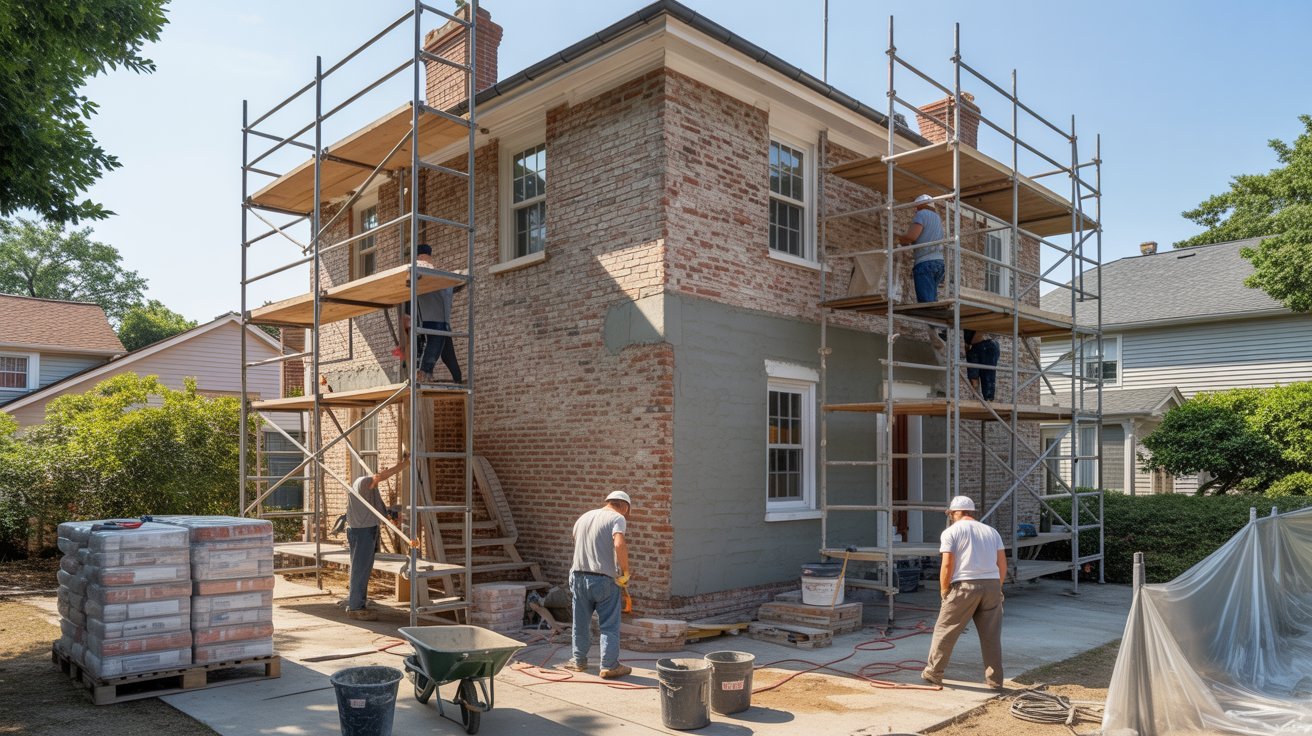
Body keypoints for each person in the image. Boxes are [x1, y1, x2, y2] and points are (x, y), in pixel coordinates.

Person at [923, 495, 1007, 690]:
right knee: (991, 636)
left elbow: (947, 565)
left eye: (951, 514)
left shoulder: (951, 532)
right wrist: (997, 587)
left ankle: (934, 672)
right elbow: (1002, 564)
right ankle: (995, 681)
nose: (951, 517)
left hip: (965, 586)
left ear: (956, 512)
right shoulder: (991, 532)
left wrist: (945, 591)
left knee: (946, 629)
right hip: (992, 585)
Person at [564, 490, 632, 679]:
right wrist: (625, 572)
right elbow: (619, 544)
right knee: (609, 624)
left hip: (578, 577)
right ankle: (609, 666)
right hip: (603, 580)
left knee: (580, 623)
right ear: (624, 506)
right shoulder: (617, 518)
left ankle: (578, 661)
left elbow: (577, 541)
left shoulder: (584, 517)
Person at [345, 454, 407, 621]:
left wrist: (392, 515)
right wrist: (404, 465)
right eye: (381, 474)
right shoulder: (363, 482)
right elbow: (380, 476)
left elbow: (380, 510)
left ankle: (357, 601)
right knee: (360, 568)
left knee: (361, 568)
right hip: (362, 532)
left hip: (366, 530)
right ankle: (355, 607)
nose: (382, 476)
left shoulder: (373, 490)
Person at [407, 244, 463, 384]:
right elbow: (412, 275)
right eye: (426, 256)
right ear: (421, 255)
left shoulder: (436, 275)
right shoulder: (420, 266)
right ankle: (425, 373)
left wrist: (458, 275)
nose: (428, 260)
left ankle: (458, 380)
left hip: (443, 322)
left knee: (448, 355)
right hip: (433, 319)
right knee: (433, 348)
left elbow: (451, 287)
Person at [896, 193, 945, 302]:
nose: (916, 210)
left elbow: (912, 237)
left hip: (925, 263)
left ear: (919, 205)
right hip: (939, 262)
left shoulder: (922, 214)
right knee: (931, 300)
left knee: (926, 303)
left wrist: (898, 239)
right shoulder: (937, 218)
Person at [963, 329, 1000, 401]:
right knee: (973, 375)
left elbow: (982, 328)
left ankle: (988, 401)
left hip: (986, 345)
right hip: (973, 347)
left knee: (987, 376)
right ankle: (977, 398)